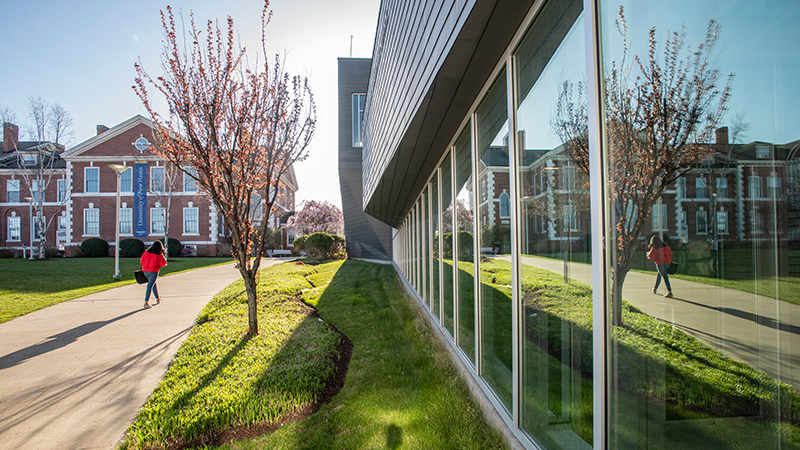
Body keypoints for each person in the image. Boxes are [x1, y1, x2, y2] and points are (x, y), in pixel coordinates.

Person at [140, 240, 168, 309]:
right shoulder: (158, 254)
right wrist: (162, 256)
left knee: (153, 284)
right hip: (153, 271)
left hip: (145, 271)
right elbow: (163, 264)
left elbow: (141, 261)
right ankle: (146, 302)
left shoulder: (146, 252)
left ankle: (158, 298)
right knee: (150, 285)